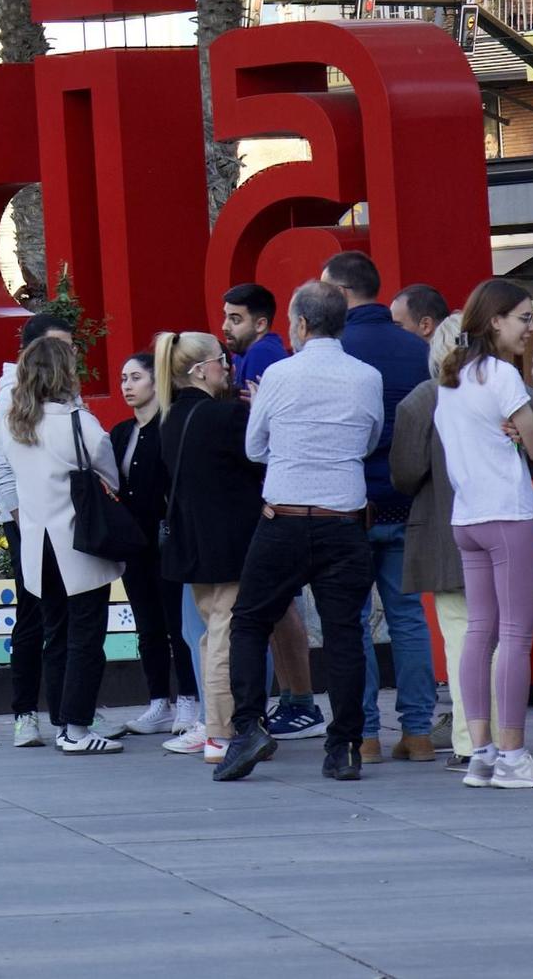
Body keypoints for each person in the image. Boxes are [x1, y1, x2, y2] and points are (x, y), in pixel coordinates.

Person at [215, 281, 383, 783]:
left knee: (248, 620)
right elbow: (371, 438)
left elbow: (255, 448)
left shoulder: (281, 374)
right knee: (345, 632)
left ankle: (248, 728)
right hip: (344, 521)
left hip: (284, 517)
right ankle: (345, 747)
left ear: (302, 325)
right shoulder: (366, 376)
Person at [436, 279, 533, 789]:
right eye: (522, 317)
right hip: (506, 513)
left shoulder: (454, 377)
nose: (529, 327)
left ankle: (483, 755)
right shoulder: (502, 376)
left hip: (467, 516)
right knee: (514, 636)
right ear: (494, 321)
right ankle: (514, 756)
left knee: (479, 633)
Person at [392, 317, 533, 775]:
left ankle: (472, 745)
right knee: (509, 635)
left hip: (445, 529)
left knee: (466, 633)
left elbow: (405, 473)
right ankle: (506, 747)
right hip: (504, 517)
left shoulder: (423, 400)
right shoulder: (501, 386)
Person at [322, 252, 435, 764]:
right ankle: (418, 733)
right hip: (409, 502)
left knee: (351, 620)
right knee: (409, 617)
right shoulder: (419, 350)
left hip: (351, 506)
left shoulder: (335, 351)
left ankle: (363, 734)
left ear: (343, 294)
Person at [1, 336, 124, 754]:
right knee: (86, 638)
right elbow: (110, 473)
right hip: (79, 543)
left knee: (55, 635)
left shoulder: (15, 424)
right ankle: (77, 728)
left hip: (38, 545)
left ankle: (60, 721)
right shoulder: (79, 423)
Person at [154, 331, 265, 762]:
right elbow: (259, 459)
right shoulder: (225, 417)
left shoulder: (169, 419)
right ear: (200, 369)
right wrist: (258, 413)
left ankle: (215, 725)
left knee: (209, 636)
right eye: (222, 359)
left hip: (191, 541)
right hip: (231, 540)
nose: (228, 366)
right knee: (225, 637)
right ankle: (221, 732)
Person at [224, 283, 325, 741]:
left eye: (236, 318)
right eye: (226, 317)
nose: (226, 327)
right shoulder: (256, 356)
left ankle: (299, 703)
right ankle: (294, 702)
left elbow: (256, 440)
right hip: (271, 495)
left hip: (272, 498)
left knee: (277, 604)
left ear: (262, 322)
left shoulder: (264, 357)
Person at [0, 313, 75, 750]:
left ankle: (68, 712)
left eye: (71, 347)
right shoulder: (7, 400)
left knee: (65, 615)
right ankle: (25, 713)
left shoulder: (68, 398)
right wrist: (25, 520)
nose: (68, 356)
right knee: (34, 613)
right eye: (59, 346)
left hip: (63, 520)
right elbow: (2, 469)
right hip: (27, 522)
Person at [110, 351, 200, 739]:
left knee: (176, 621)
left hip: (168, 539)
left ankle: (189, 700)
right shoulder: (120, 432)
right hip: (134, 542)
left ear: (155, 381)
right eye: (123, 379)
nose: (127, 386)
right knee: (147, 623)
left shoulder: (171, 426)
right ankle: (158, 701)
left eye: (135, 378)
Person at [223, 283, 288, 387]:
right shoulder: (241, 354)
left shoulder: (261, 352)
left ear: (260, 325)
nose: (225, 327)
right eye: (225, 317)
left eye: (235, 320)